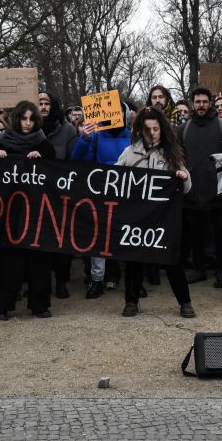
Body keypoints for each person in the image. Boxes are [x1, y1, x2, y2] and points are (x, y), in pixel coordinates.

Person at [116, 108, 196, 318]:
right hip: (137, 217)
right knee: (134, 259)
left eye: (156, 129)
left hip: (163, 219)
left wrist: (182, 177)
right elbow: (115, 179)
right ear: (140, 130)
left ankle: (185, 302)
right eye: (147, 129)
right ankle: (131, 302)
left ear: (162, 129)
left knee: (172, 259)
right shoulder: (129, 152)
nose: (152, 133)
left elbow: (187, 187)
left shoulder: (172, 153)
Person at [0, 100, 56, 320]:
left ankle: (40, 305)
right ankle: (2, 306)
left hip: (37, 213)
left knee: (39, 260)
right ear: (16, 119)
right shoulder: (3, 144)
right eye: (23, 118)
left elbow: (56, 171)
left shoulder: (44, 144)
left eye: (31, 119)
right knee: (7, 260)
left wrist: (43, 160)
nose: (27, 123)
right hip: (9, 212)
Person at [72, 101, 134, 297]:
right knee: (99, 240)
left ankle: (134, 280)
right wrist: (84, 140)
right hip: (101, 196)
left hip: (127, 197)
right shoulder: (96, 137)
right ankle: (97, 280)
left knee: (128, 239)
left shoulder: (134, 138)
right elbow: (78, 162)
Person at [178, 87, 222, 287]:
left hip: (218, 192)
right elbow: (179, 158)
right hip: (192, 191)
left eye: (204, 101)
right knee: (196, 234)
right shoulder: (184, 129)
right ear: (192, 103)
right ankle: (199, 268)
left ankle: (221, 269)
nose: (201, 105)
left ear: (210, 102)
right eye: (197, 101)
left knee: (220, 235)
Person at [38, 92, 79, 299]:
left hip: (61, 193)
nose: (43, 107)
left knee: (62, 241)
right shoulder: (26, 128)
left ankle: (61, 281)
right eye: (39, 103)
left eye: (47, 103)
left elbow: (74, 159)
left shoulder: (67, 129)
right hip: (35, 195)